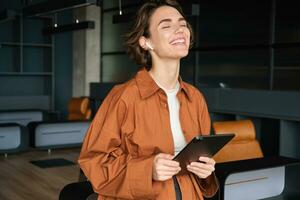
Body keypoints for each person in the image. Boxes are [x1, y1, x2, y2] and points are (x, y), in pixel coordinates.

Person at [78, 0, 219, 199]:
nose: (180, 30)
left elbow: (202, 161)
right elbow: (94, 161)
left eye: (183, 24)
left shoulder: (195, 98)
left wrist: (206, 172)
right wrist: (147, 170)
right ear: (146, 42)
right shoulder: (124, 97)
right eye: (167, 26)